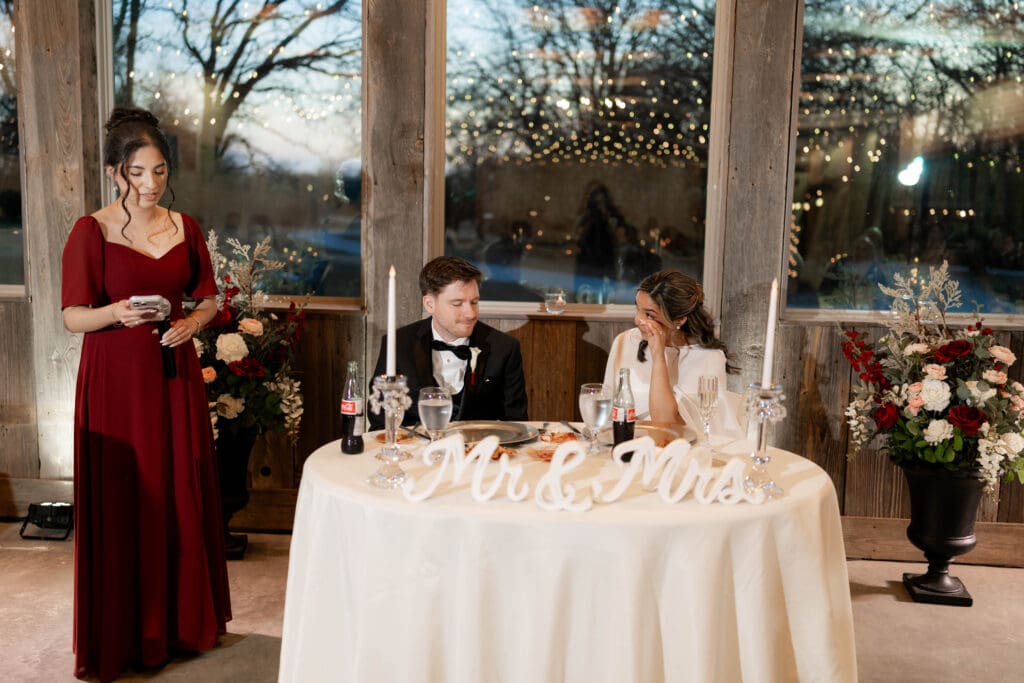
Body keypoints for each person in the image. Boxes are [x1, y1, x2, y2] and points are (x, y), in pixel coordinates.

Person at [61, 107, 231, 681]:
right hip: (115, 380)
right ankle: (125, 634)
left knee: (178, 489)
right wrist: (117, 311)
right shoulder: (91, 229)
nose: (152, 183)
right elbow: (72, 319)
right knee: (126, 498)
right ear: (115, 173)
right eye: (139, 172)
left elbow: (208, 299)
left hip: (173, 376)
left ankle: (182, 625)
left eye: (159, 171)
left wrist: (194, 324)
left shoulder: (187, 228)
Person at [369, 256, 529, 429]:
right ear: (430, 304)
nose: (471, 313)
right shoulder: (398, 344)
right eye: (457, 303)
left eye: (474, 302)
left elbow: (516, 424)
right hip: (415, 451)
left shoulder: (504, 348)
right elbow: (379, 418)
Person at [602, 270, 742, 438]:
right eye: (637, 309)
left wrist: (658, 355)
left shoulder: (708, 358)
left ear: (679, 320)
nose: (637, 319)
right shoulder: (625, 341)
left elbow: (666, 422)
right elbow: (607, 412)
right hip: (627, 445)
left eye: (648, 314)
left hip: (682, 450)